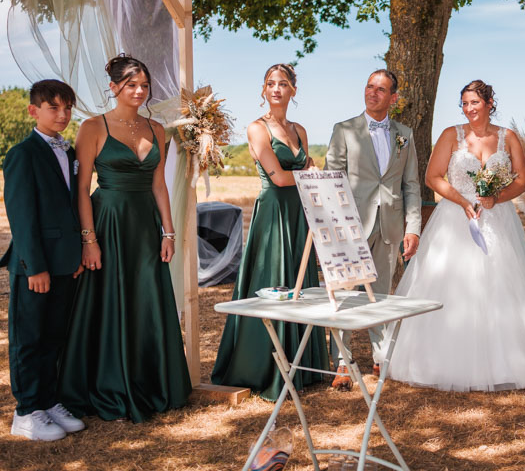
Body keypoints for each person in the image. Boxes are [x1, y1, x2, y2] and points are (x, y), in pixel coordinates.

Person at [388, 80, 525, 390]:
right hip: (454, 218)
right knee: (450, 283)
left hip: (497, 219)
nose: (469, 108)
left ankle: (506, 362)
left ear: (489, 103)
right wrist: (462, 201)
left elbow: (523, 181)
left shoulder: (507, 137)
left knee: (501, 284)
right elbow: (432, 177)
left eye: (474, 102)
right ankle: (438, 361)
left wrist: (495, 198)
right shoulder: (451, 135)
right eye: (464, 103)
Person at [57, 56, 191, 422]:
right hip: (109, 223)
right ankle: (108, 382)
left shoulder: (157, 128)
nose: (139, 91)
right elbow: (82, 190)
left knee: (145, 297)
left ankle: (151, 381)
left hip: (146, 224)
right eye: (131, 84)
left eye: (144, 85)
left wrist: (168, 230)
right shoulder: (92, 127)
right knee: (109, 300)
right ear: (114, 87)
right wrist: (89, 240)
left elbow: (159, 185)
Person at [212, 63, 329, 399]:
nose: (276, 89)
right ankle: (264, 365)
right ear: (263, 90)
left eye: (283, 83)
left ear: (293, 90)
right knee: (274, 281)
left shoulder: (301, 130)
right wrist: (315, 176)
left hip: (299, 213)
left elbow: (307, 167)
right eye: (270, 84)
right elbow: (278, 176)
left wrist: (313, 178)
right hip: (274, 213)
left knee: (300, 281)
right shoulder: (256, 129)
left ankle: (301, 366)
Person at [325, 70, 422, 390]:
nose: (373, 93)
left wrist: (414, 228)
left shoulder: (404, 134)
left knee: (380, 294)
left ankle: (381, 359)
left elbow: (410, 185)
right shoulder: (344, 130)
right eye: (369, 87)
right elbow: (332, 179)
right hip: (350, 225)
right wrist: (338, 225)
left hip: (390, 223)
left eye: (381, 90)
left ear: (393, 97)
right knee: (346, 293)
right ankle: (342, 362)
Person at [2, 80, 86, 440]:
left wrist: (77, 253)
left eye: (67, 108)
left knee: (54, 335)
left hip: (65, 261)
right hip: (34, 264)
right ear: (33, 111)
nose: (63, 114)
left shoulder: (68, 153)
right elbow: (22, 216)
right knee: (30, 338)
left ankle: (49, 401)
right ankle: (26, 411)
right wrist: (34, 267)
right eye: (54, 107)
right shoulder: (23, 154)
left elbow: (71, 206)